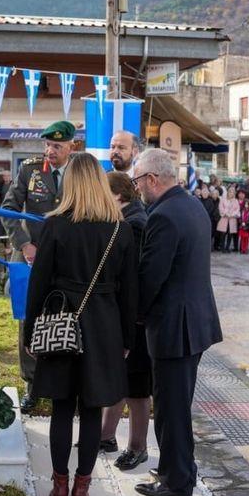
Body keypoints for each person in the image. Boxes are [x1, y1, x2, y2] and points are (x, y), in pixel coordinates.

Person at [23, 153, 137, 496]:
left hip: (60, 323)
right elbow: (130, 291)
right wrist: (127, 339)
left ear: (70, 184)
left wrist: (31, 333)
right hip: (104, 326)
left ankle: (59, 487)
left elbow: (38, 284)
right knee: (91, 408)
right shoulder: (120, 229)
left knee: (61, 406)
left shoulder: (55, 226)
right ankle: (81, 489)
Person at [133, 148, 222, 496]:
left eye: (138, 181)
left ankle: (177, 481)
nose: (137, 188)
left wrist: (134, 314)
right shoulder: (191, 205)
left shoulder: (163, 215)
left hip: (174, 327)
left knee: (171, 409)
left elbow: (151, 276)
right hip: (193, 323)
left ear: (152, 179)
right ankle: (179, 468)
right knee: (176, 405)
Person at [2, 120, 74, 414]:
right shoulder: (30, 170)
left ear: (71, 146)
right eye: (47, 144)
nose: (50, 150)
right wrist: (23, 244)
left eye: (57, 145)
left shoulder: (78, 172)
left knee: (63, 315)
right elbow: (8, 209)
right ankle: (31, 384)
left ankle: (60, 382)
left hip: (65, 258)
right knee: (28, 317)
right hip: (31, 256)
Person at [100, 172, 152, 471]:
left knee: (137, 387)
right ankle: (106, 436)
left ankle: (137, 447)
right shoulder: (128, 219)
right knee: (121, 377)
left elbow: (134, 276)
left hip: (136, 318)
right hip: (128, 315)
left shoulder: (134, 224)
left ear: (117, 195)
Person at [217, 186, 240, 253]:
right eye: (230, 192)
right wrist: (226, 213)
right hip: (224, 218)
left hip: (232, 219)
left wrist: (232, 214)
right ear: (228, 192)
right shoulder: (223, 199)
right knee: (223, 234)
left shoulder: (236, 201)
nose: (231, 193)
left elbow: (237, 209)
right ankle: (222, 248)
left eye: (233, 192)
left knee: (230, 234)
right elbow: (221, 208)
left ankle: (227, 247)